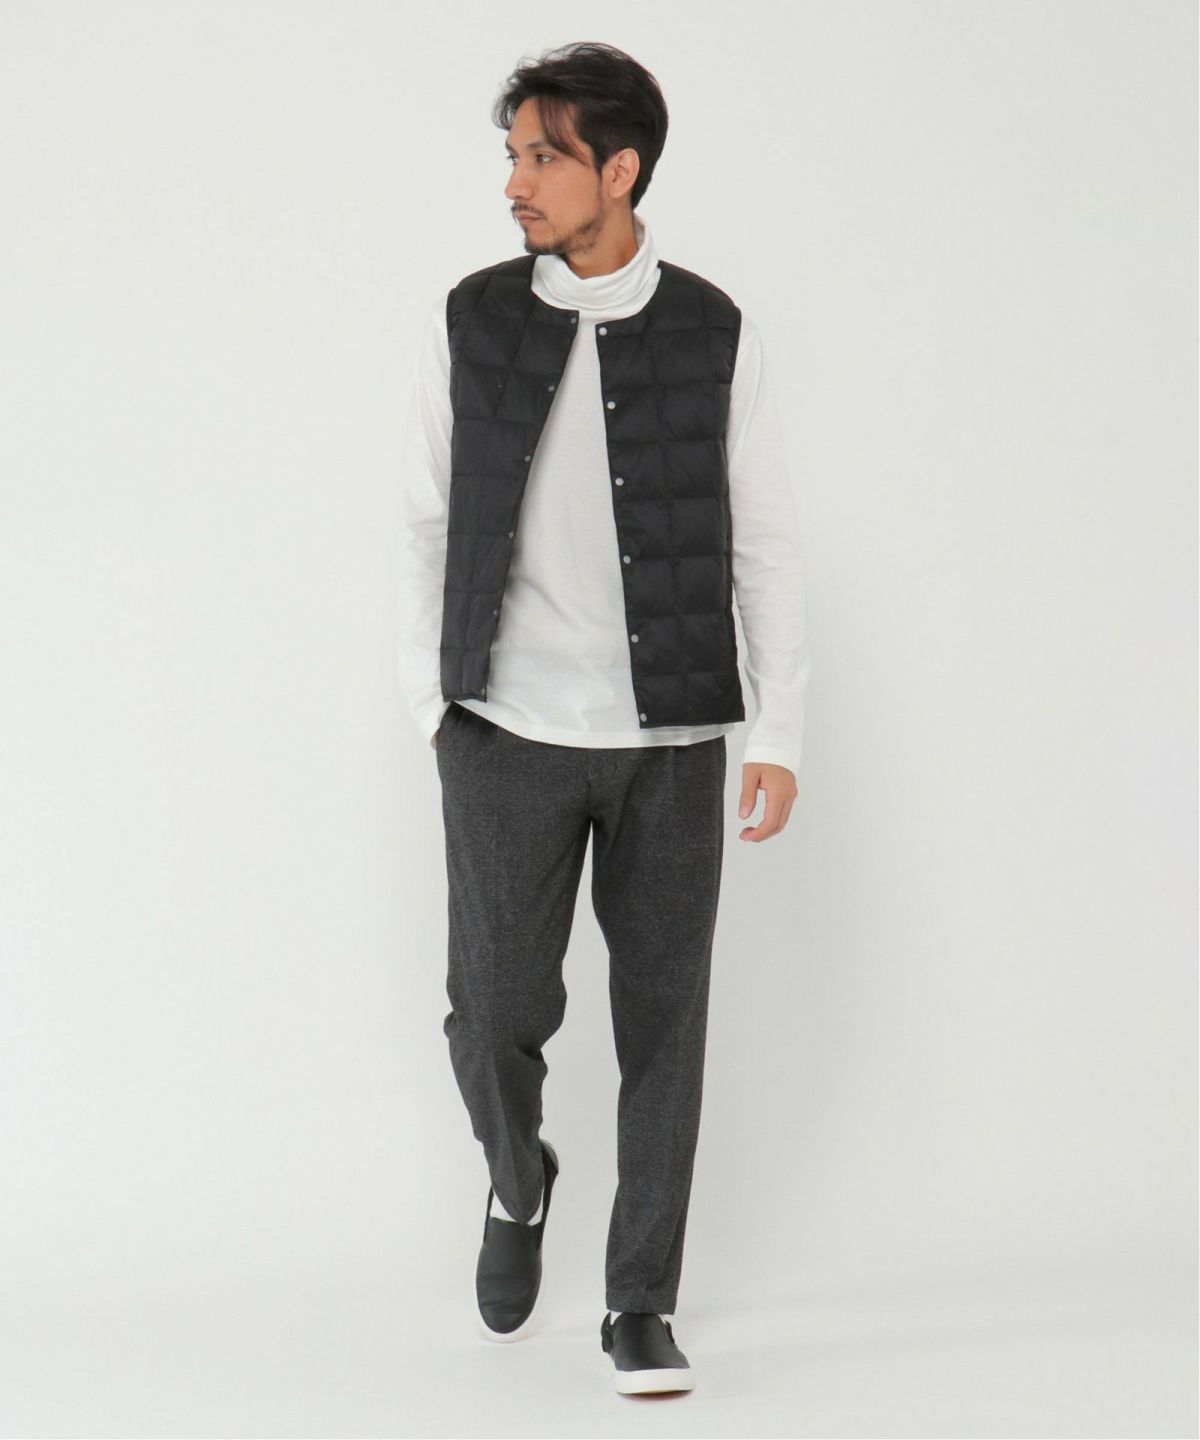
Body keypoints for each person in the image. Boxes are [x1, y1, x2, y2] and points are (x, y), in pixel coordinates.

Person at [396, 40, 810, 1397]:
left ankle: (641, 1302)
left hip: (671, 743)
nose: (515, 181)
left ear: (618, 170)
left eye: (543, 156)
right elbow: (424, 519)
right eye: (512, 154)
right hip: (505, 730)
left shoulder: (713, 330)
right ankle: (519, 1177)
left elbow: (764, 542)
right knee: (491, 1013)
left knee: (665, 1030)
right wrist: (433, 704)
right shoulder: (472, 318)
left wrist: (777, 732)